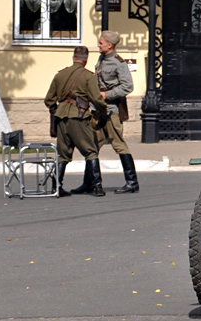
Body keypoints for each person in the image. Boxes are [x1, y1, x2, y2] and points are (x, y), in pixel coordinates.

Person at [44, 45, 108, 198]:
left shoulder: (60, 75)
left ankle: (57, 187)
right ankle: (97, 187)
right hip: (79, 116)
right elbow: (96, 99)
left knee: (63, 154)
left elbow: (49, 99)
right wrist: (103, 111)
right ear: (86, 60)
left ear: (73, 58)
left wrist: (56, 110)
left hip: (61, 117)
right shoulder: (88, 76)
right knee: (91, 151)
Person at [92, 30, 139, 194]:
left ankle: (132, 182)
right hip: (99, 109)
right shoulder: (101, 59)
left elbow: (127, 86)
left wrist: (107, 94)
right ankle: (90, 182)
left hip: (111, 110)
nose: (98, 45)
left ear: (109, 45)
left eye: (101, 43)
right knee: (93, 146)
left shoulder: (119, 63)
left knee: (118, 144)